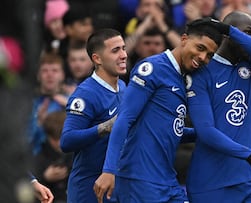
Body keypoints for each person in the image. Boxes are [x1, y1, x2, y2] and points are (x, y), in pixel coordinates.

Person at [93, 18, 230, 203]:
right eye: (200, 48)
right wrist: (109, 170)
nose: (203, 58)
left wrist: (205, 133)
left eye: (209, 55)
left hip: (166, 179)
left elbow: (169, 130)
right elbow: (124, 119)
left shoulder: (186, 79)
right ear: (183, 39)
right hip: (139, 179)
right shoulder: (152, 69)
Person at [185, 11, 251, 202]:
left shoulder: (250, 70)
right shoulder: (202, 72)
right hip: (212, 182)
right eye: (248, 33)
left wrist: (230, 30)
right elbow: (206, 131)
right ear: (227, 38)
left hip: (249, 180)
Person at [60, 28, 127, 203]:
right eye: (115, 50)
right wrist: (105, 127)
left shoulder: (125, 88)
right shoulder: (85, 94)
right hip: (89, 189)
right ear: (97, 58)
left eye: (123, 48)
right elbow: (67, 141)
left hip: (117, 187)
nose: (123, 55)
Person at [33, 110, 72, 203]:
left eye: (61, 137)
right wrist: (45, 178)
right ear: (48, 136)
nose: (59, 143)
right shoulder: (39, 155)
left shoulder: (76, 153)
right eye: (55, 138)